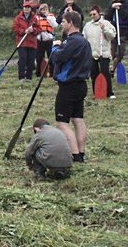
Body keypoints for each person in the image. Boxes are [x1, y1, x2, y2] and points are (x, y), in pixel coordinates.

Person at [50, 10, 91, 163]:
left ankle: (75, 155)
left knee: (61, 123)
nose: (61, 24)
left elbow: (57, 57)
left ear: (71, 23)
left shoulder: (72, 41)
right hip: (81, 85)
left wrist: (54, 47)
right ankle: (81, 152)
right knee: (78, 119)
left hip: (69, 86)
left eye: (63, 22)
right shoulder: (84, 42)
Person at [82, 6, 117, 99]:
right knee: (94, 73)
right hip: (92, 53)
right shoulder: (87, 26)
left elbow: (112, 35)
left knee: (105, 73)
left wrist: (104, 28)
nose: (93, 16)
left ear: (99, 13)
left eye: (94, 14)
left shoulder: (106, 23)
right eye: (91, 15)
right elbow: (84, 38)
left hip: (103, 53)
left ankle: (109, 93)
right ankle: (96, 92)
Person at [104, 0, 128, 73]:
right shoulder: (111, 4)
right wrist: (112, 8)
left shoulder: (127, 3)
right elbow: (107, 17)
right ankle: (112, 68)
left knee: (120, 53)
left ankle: (113, 69)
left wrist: (120, 8)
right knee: (113, 53)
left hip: (123, 32)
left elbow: (127, 15)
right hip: (113, 31)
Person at [12, 0, 40, 82]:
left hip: (32, 43)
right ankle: (21, 77)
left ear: (30, 9)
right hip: (22, 43)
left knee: (31, 60)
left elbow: (39, 29)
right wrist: (24, 31)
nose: (27, 9)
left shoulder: (34, 18)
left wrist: (33, 30)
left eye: (28, 7)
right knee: (22, 59)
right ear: (23, 8)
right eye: (25, 7)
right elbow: (15, 29)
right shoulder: (18, 18)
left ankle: (29, 77)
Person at [35, 3, 57, 77]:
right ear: (40, 10)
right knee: (39, 57)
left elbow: (55, 25)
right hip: (40, 40)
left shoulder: (51, 17)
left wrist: (48, 17)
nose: (44, 11)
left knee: (50, 56)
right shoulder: (37, 17)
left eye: (45, 9)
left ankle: (52, 73)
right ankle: (38, 73)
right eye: (42, 9)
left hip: (49, 39)